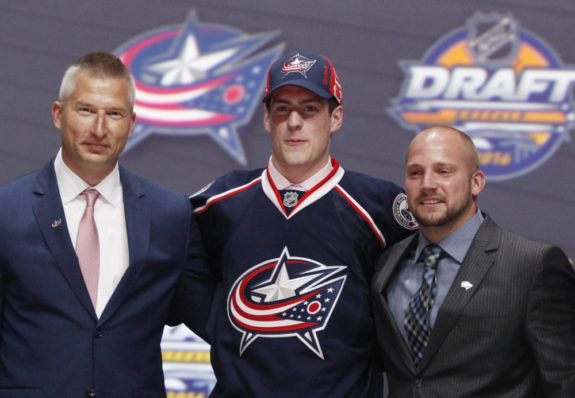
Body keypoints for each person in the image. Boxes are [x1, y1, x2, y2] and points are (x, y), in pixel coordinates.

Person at [173, 50, 417, 397]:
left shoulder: (379, 208)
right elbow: (174, 262)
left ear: (336, 118)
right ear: (267, 119)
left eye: (310, 109)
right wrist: (223, 324)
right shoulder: (220, 201)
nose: (294, 122)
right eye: (282, 108)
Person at [0, 52, 203, 397]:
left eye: (114, 114)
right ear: (57, 114)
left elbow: (212, 318)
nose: (99, 129)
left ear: (132, 123)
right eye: (86, 110)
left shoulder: (170, 215)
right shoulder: (7, 211)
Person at [371, 125, 575, 397]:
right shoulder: (386, 265)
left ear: (476, 182)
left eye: (444, 171)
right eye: (415, 173)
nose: (428, 184)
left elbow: (564, 383)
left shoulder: (532, 265)